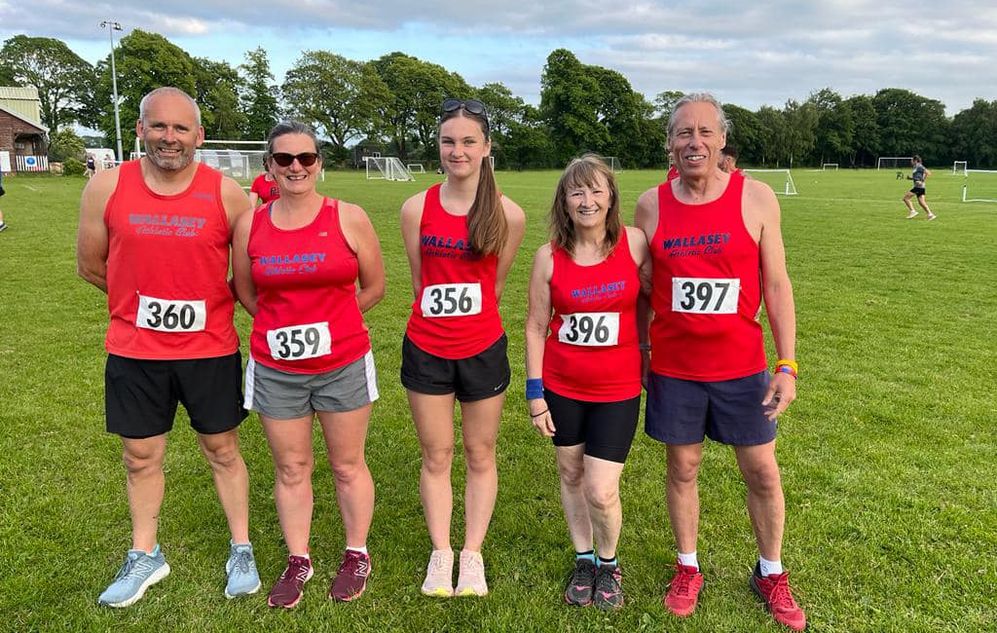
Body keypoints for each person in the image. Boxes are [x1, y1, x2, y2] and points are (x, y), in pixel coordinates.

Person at [76, 86, 260, 607]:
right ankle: (145, 554)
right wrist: (138, 306)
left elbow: (245, 278)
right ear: (140, 130)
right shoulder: (106, 187)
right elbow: (92, 266)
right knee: (140, 456)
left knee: (223, 450)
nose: (169, 137)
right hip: (135, 352)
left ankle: (241, 546)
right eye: (159, 126)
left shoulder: (228, 194)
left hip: (210, 350)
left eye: (181, 128)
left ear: (199, 136)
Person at [634, 93, 806, 631]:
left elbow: (776, 284)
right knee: (681, 469)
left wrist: (787, 364)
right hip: (675, 369)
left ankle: (770, 571)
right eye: (684, 133)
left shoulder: (756, 199)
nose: (695, 142)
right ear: (670, 143)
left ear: (723, 140)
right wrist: (641, 351)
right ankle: (688, 566)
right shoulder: (650, 204)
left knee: (761, 471)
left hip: (741, 369)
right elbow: (641, 289)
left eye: (706, 132)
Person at [232, 121, 385, 608]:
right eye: (284, 159)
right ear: (269, 167)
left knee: (346, 464)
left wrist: (333, 324)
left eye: (305, 158)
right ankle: (299, 559)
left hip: (343, 362)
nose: (295, 167)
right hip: (277, 369)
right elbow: (245, 291)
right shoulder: (250, 223)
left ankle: (356, 552)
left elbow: (375, 286)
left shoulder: (349, 217)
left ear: (319, 163)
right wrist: (284, 330)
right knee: (291, 466)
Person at [400, 98, 525, 598]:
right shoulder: (416, 208)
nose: (458, 150)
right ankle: (440, 552)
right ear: (439, 145)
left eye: (469, 141)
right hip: (427, 349)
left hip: (482, 349)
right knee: (436, 453)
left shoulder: (507, 214)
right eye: (449, 141)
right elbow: (419, 283)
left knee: (480, 451)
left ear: (487, 147)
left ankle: (471, 553)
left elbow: (494, 287)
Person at [525, 155, 650, 610]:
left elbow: (657, 296)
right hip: (562, 386)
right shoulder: (548, 258)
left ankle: (609, 563)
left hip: (618, 390)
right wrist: (535, 394)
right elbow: (536, 326)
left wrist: (651, 354)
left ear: (612, 196)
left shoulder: (635, 244)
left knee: (601, 488)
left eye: (596, 190)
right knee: (570, 473)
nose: (587, 200)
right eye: (577, 192)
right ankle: (584, 559)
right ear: (564, 201)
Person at [904, 155, 936, 220]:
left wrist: (922, 181)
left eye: (912, 160)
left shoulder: (919, 166)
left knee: (906, 198)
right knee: (921, 202)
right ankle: (930, 214)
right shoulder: (915, 167)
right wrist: (910, 178)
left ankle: (913, 211)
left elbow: (928, 173)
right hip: (919, 186)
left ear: (915, 161)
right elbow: (917, 177)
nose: (911, 161)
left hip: (919, 187)